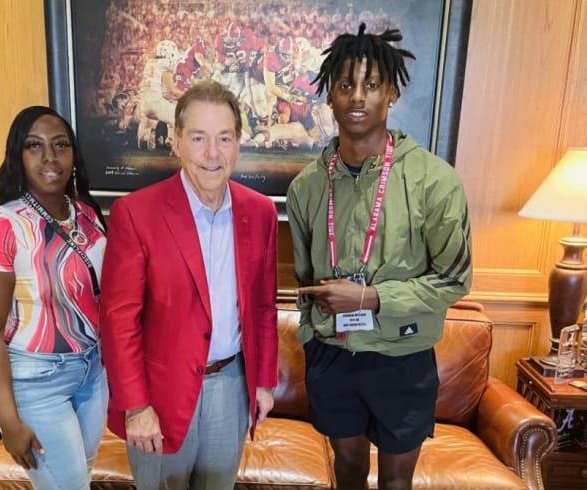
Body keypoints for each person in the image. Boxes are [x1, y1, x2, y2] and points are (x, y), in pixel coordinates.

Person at [286, 25, 472, 490]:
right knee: (347, 471)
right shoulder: (307, 187)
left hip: (402, 357)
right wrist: (313, 336)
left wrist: (370, 298)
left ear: (391, 92)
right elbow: (305, 278)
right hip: (331, 355)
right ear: (329, 95)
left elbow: (455, 279)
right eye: (346, 84)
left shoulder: (435, 180)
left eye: (370, 85)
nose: (357, 97)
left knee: (394, 482)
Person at [100, 80, 279, 490]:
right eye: (199, 138)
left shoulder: (260, 212)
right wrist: (136, 406)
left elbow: (264, 307)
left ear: (238, 143)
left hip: (231, 389)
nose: (212, 154)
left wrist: (264, 381)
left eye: (224, 138)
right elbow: (118, 320)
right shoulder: (135, 214)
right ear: (177, 140)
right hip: (158, 397)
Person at [0, 106, 109, 489]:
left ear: (73, 157)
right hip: (37, 380)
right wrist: (9, 421)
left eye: (60, 145)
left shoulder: (88, 216)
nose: (50, 157)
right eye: (35, 146)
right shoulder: (1, 226)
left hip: (93, 373)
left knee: (80, 477)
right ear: (19, 156)